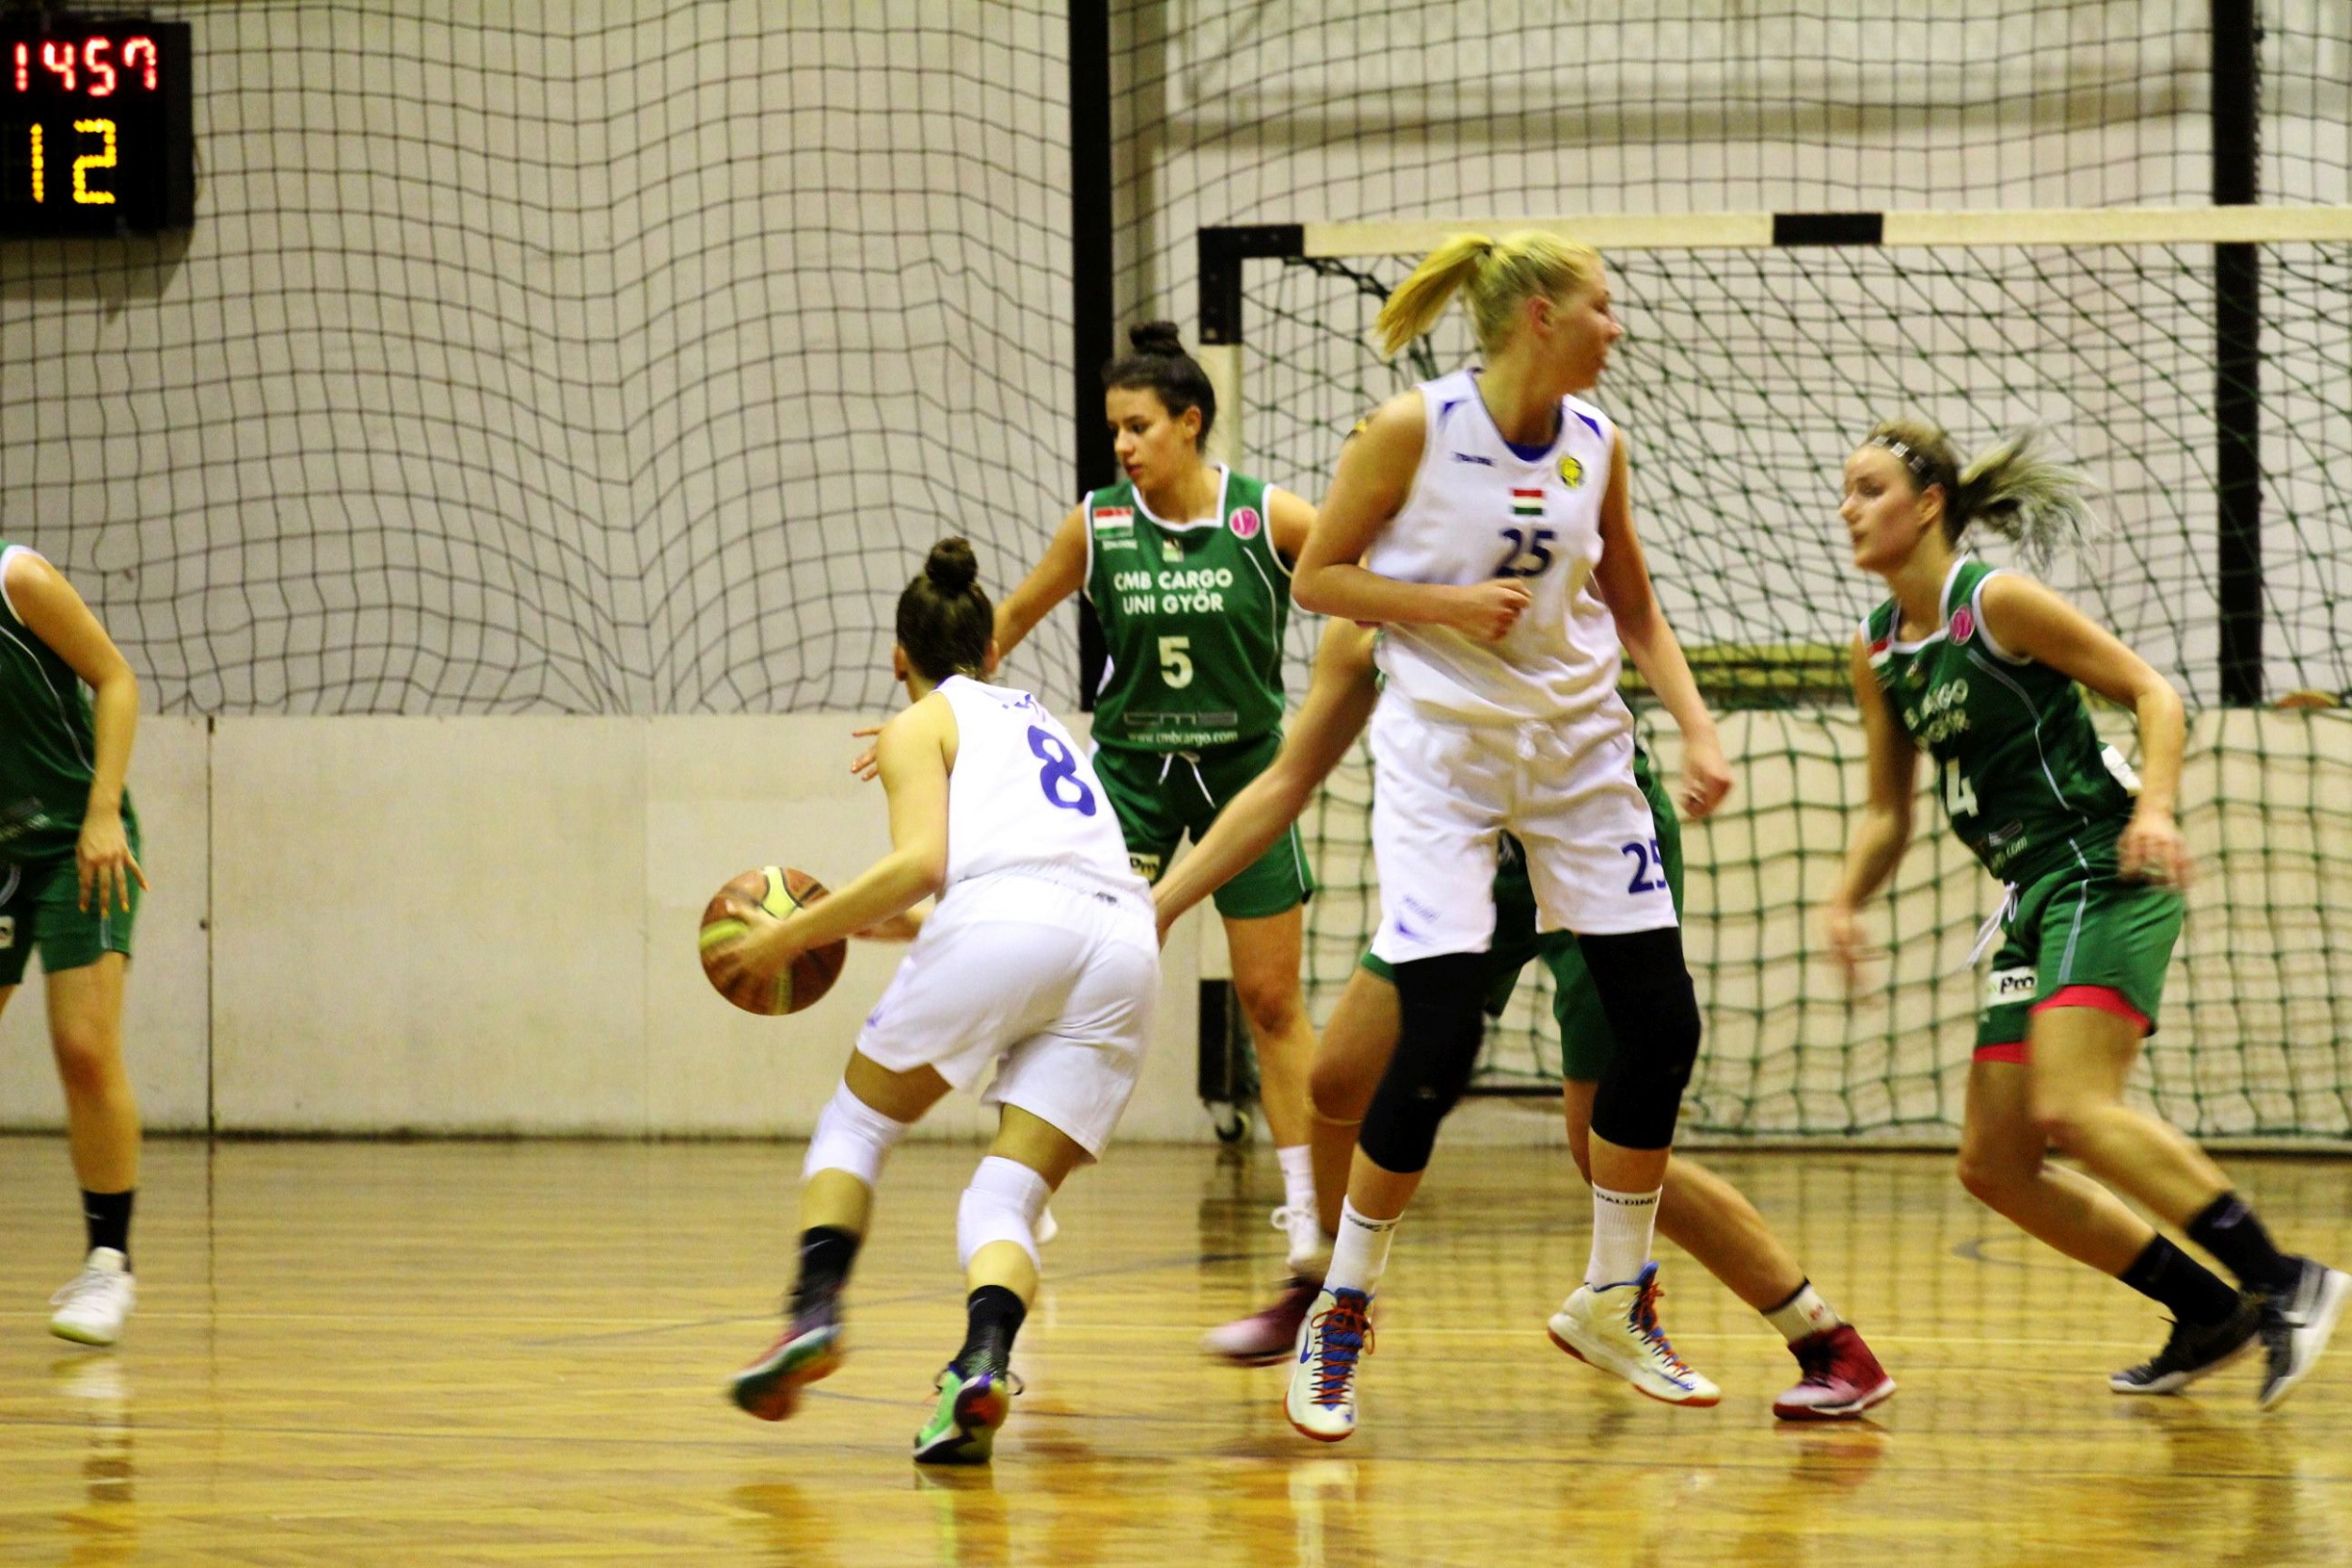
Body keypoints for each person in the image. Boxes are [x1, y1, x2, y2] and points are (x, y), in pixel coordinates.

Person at [1169, 622, 1894, 1420]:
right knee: (1339, 1079)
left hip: (1589, 841)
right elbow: (1286, 779)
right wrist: (1163, 903)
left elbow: (1634, 605)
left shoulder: (1530, 576)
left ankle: (1824, 1339)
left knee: (1602, 1146)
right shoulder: (1363, 623)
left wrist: (1699, 730)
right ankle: (1324, 1287)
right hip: (1478, 862)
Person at [1279, 232, 1734, 1441]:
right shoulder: (1412, 429)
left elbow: (1633, 603)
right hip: (1447, 761)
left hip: (1579, 758)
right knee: (1434, 1040)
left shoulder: (1597, 442)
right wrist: (1441, 604)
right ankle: (1341, 1304)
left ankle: (1612, 1296)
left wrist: (1696, 728)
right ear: (1538, 314)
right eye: (1602, 305)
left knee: (1661, 1024)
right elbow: (1319, 576)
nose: (1615, 326)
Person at [1825, 421, 2346, 1408]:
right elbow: (1888, 810)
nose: (1847, 508)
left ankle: (2287, 1279)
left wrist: (2156, 808)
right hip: (2029, 893)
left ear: (1928, 503)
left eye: (1869, 487)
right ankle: (2210, 1309)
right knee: (1995, 1163)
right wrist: (1845, 900)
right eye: (1844, 490)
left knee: (2073, 1103)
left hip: (2099, 867)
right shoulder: (1878, 647)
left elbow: (2153, 692)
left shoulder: (1996, 602)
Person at [711, 538, 1159, 1463]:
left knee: (857, 1123)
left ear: (897, 656)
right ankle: (980, 1364)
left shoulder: (916, 723)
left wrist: (793, 933)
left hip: (1012, 922)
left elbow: (924, 863)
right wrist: (906, 926)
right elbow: (1035, 879)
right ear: (992, 651)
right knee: (1005, 1195)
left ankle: (813, 1309)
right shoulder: (1039, 720)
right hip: (1123, 942)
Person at [990, 321, 1327, 1285]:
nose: (1124, 446)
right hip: (1133, 772)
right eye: (1115, 431)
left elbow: (1359, 577)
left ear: (1190, 423)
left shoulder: (1267, 517)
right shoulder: (1095, 525)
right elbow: (1008, 622)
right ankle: (1022, 1190)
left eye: (1137, 427)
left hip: (1244, 771)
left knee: (1270, 997)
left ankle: (1310, 1207)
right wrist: (935, 706)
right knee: (1073, 978)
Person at [0, 539, 149, 1348]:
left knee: (84, 1046)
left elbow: (116, 679)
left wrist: (103, 810)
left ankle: (108, 1262)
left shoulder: (17, 579)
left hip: (75, 841)